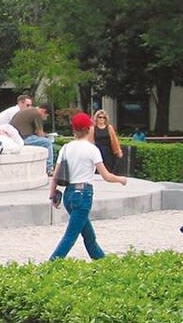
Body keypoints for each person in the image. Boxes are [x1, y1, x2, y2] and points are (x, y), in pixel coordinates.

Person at [48, 112, 127, 261]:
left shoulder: (66, 148)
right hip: (83, 195)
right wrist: (121, 179)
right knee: (70, 236)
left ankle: (102, 262)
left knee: (88, 235)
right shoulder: (92, 149)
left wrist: (53, 195)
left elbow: (55, 175)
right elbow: (106, 176)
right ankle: (52, 264)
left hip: (69, 195)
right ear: (89, 129)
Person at [11, 102, 55, 173]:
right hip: (24, 138)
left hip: (15, 137)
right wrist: (48, 136)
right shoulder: (37, 113)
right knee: (48, 142)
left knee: (44, 141)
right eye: (46, 116)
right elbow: (40, 133)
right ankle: (49, 168)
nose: (45, 118)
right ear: (43, 111)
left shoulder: (29, 110)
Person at [93, 110, 124, 174]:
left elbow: (115, 140)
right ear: (96, 118)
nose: (102, 119)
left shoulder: (109, 128)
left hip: (108, 151)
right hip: (97, 151)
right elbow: (90, 141)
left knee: (108, 168)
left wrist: (118, 151)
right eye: (100, 117)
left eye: (104, 117)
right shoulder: (93, 128)